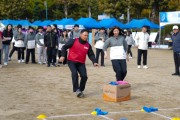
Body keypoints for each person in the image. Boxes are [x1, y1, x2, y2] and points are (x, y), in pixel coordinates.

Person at [59, 29, 98, 98]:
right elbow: (64, 47)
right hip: (71, 61)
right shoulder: (73, 41)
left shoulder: (88, 45)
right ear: (80, 35)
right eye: (85, 35)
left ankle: (80, 89)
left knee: (84, 76)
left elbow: (91, 54)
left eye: (87, 35)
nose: (86, 37)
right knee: (74, 74)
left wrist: (94, 62)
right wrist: (62, 55)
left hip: (81, 63)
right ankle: (76, 89)